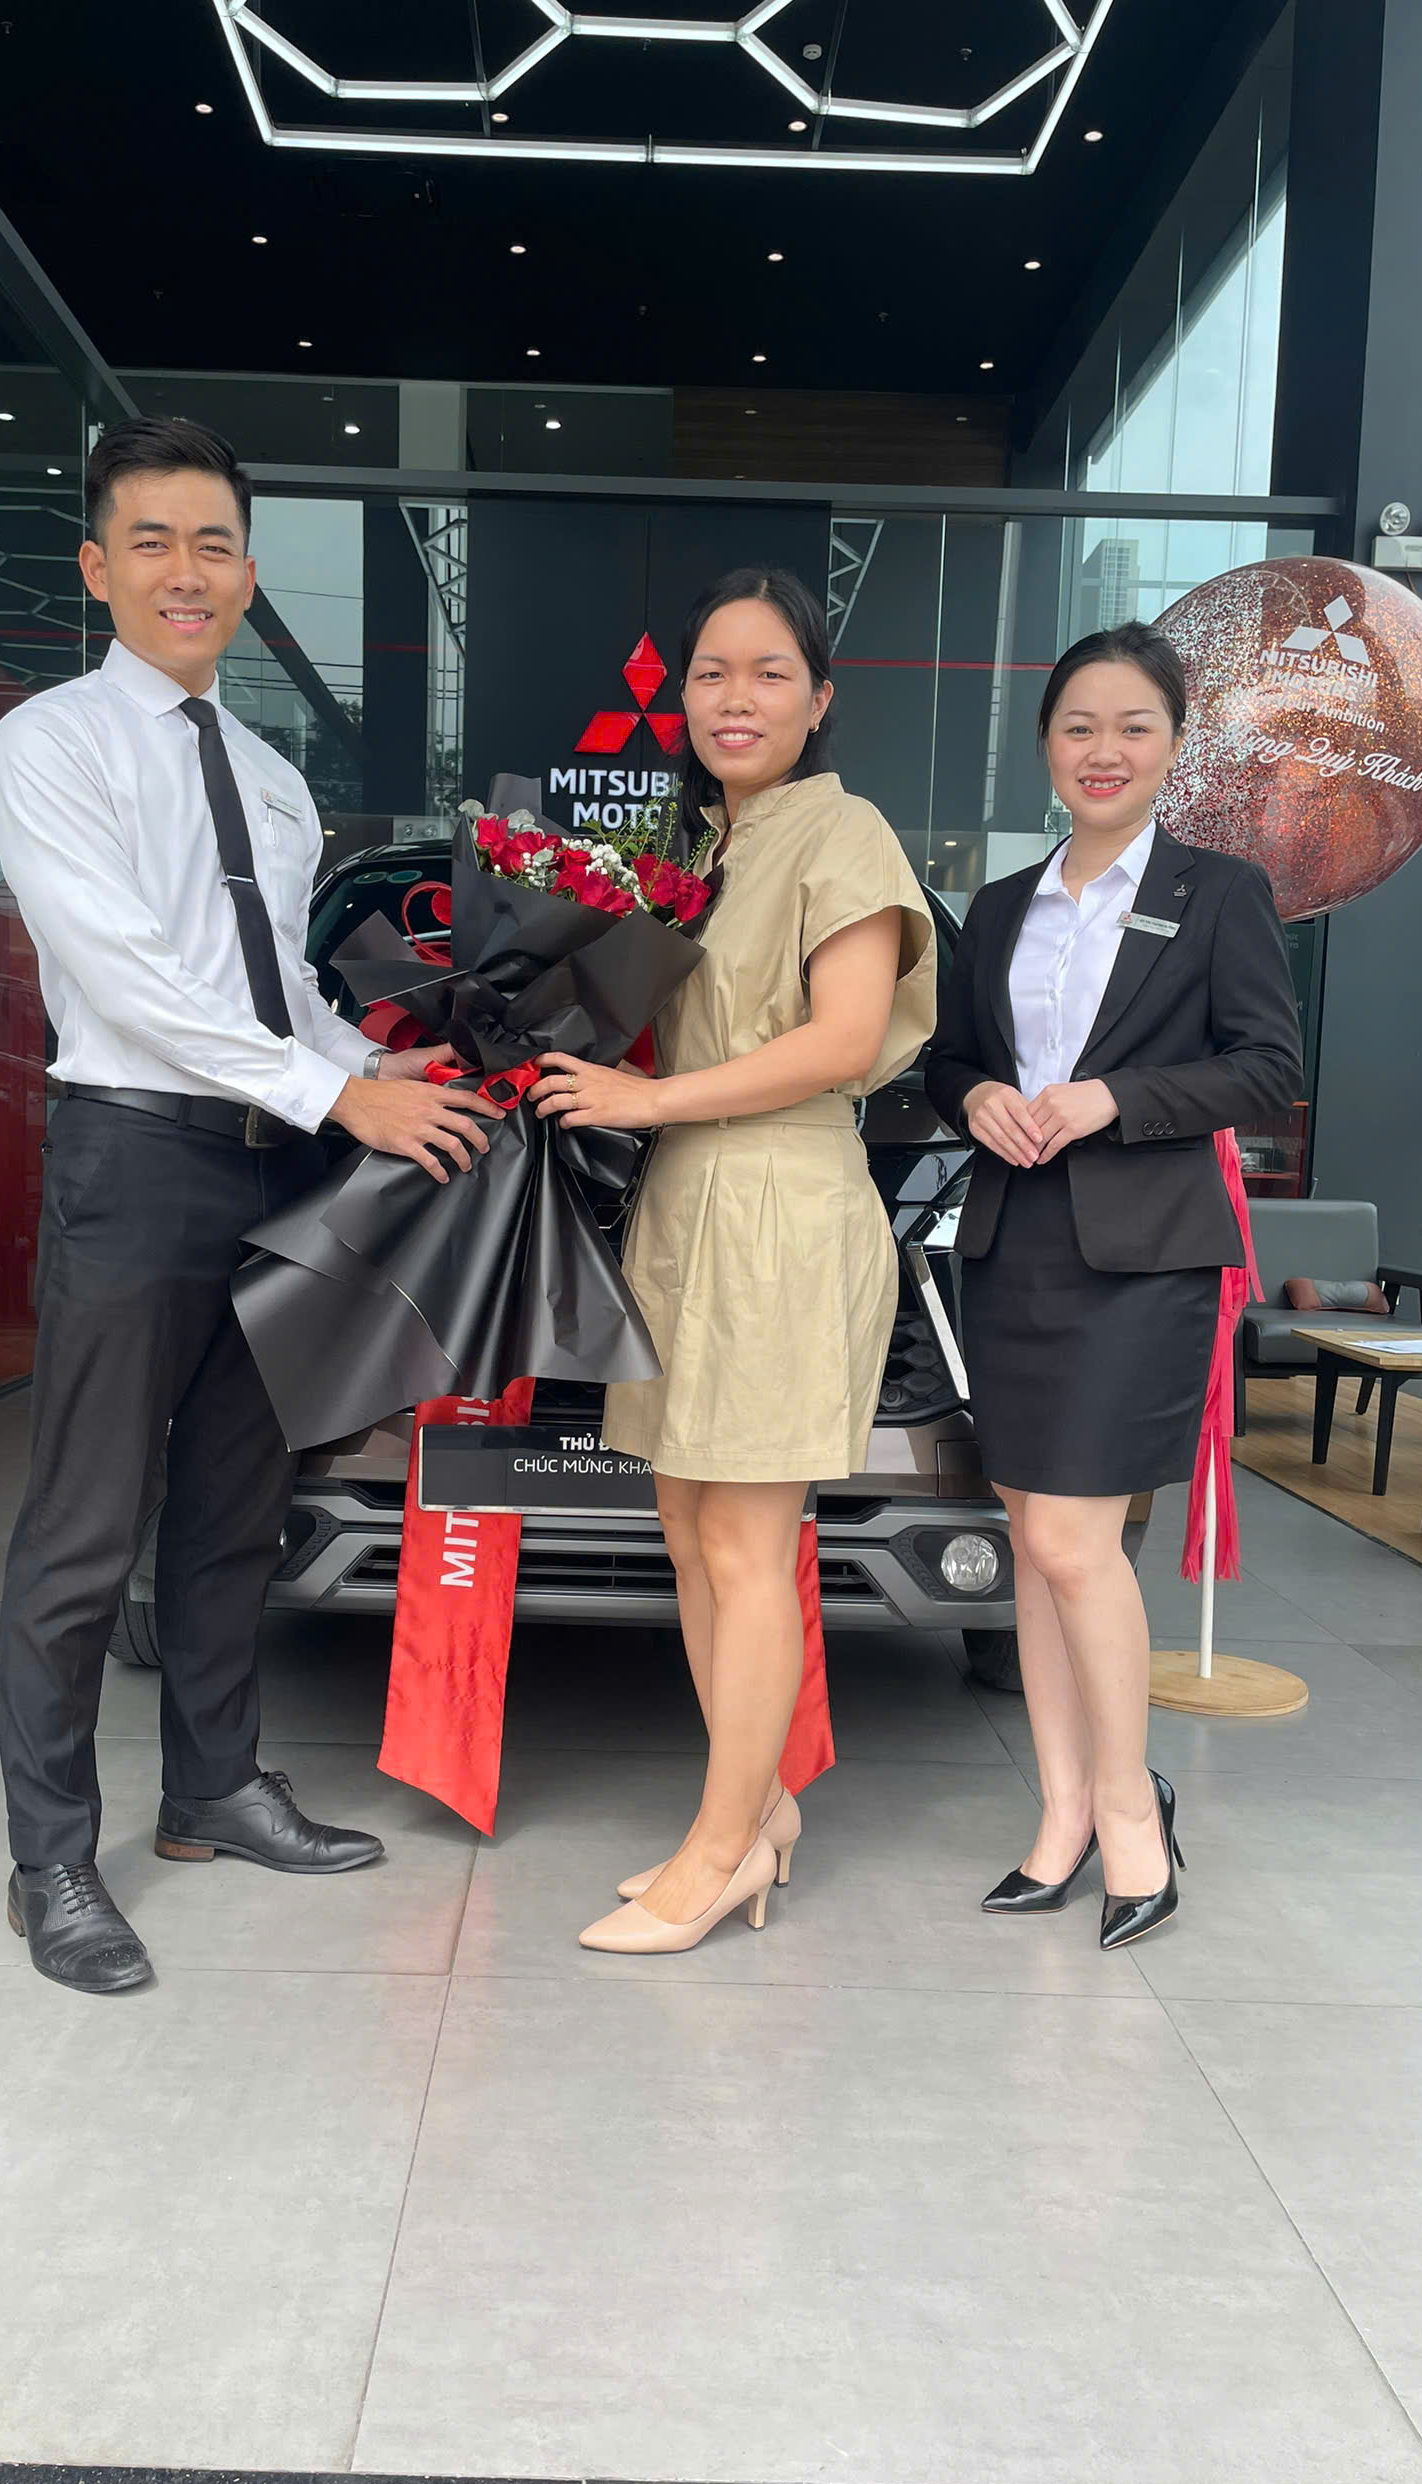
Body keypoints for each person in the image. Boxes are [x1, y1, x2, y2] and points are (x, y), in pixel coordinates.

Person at [0, 416, 501, 1995]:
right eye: (152, 541)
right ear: (98, 567)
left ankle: (213, 1790)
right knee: (87, 1525)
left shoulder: (273, 782)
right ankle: (50, 1859)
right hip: (135, 1158)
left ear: (250, 574)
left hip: (276, 1165)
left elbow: (277, 994)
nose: (185, 571)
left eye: (213, 543)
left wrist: (388, 1069)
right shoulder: (49, 745)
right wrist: (341, 1096)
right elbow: (131, 978)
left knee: (232, 1507)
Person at [530, 567, 938, 1954]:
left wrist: (643, 1098)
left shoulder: (844, 832)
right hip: (689, 1203)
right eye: (711, 672)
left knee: (749, 1544)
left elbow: (843, 1039)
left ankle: (717, 1856)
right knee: (689, 1533)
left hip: (779, 1203)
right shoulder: (701, 849)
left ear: (819, 701)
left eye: (769, 673)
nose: (734, 698)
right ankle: (755, 1813)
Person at [922, 623, 1303, 1950]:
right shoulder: (999, 907)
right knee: (1034, 1544)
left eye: (1134, 725)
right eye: (1079, 725)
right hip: (1010, 1245)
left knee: (1078, 1545)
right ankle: (1063, 1812)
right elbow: (946, 1059)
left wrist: (1112, 1098)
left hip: (1143, 1257)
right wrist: (976, 1096)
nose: (1104, 750)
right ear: (1045, 744)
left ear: (1174, 744)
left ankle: (1135, 1812)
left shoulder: (1221, 893)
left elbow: (1268, 1067)